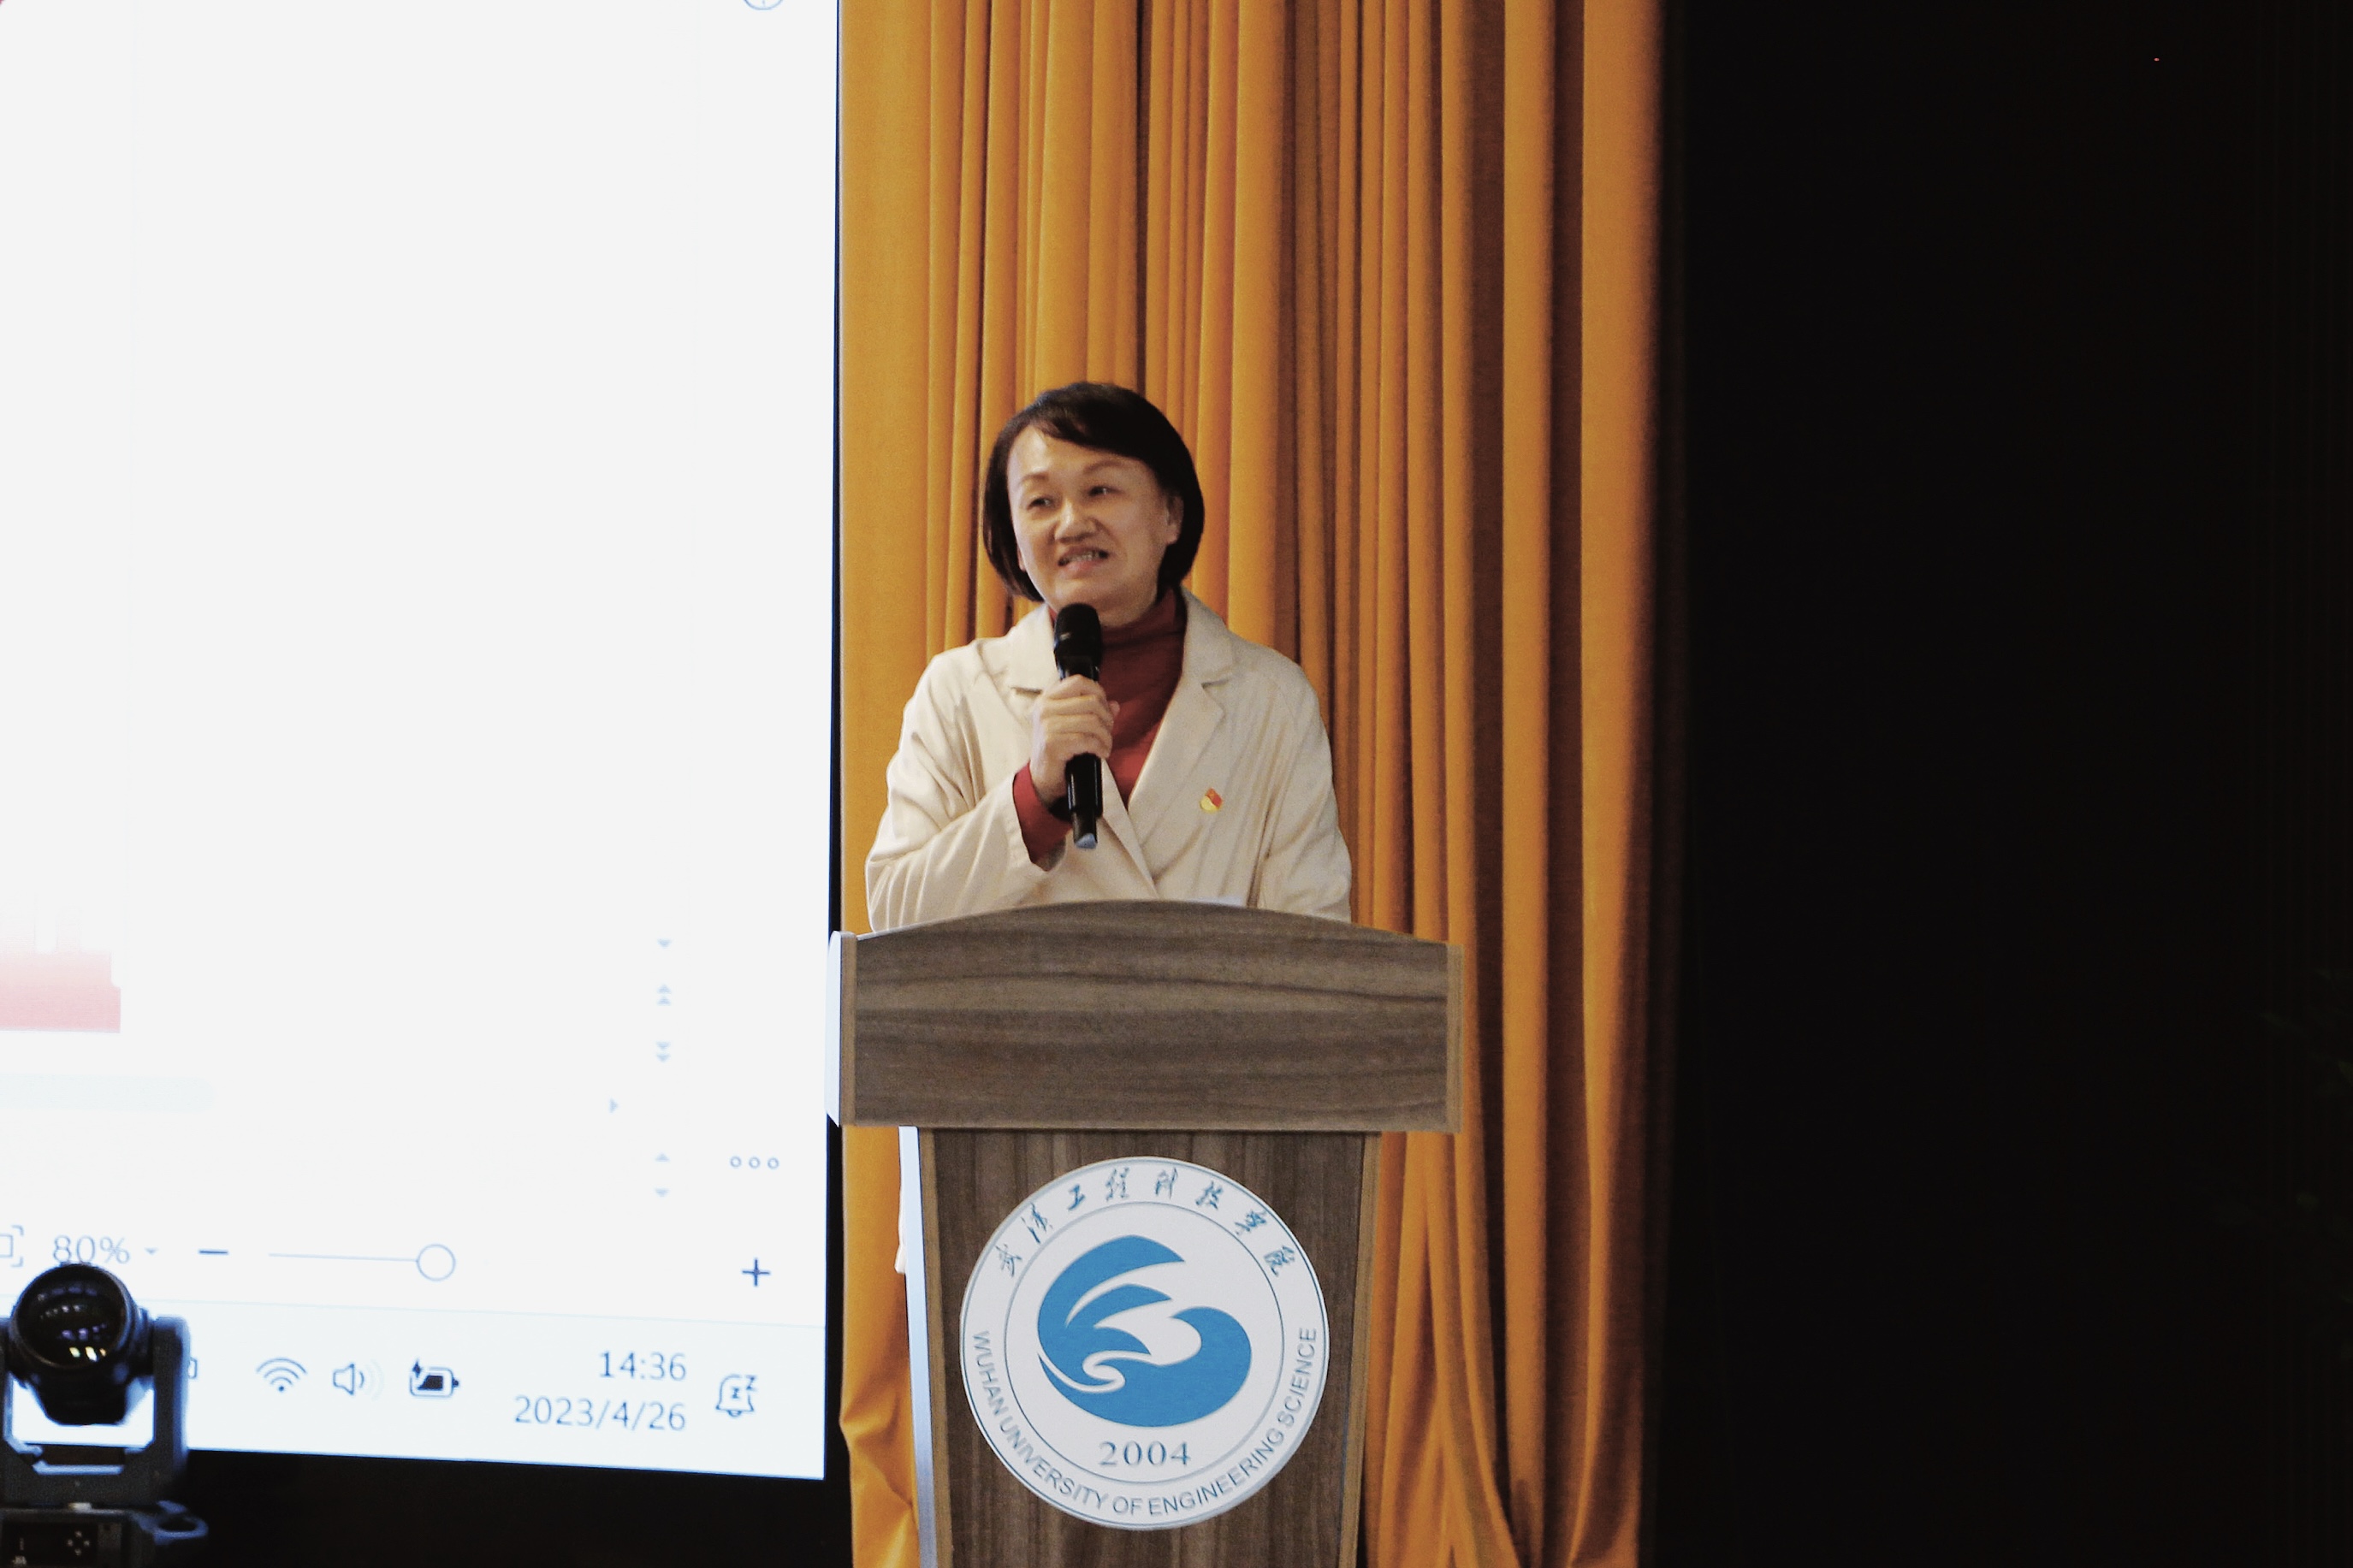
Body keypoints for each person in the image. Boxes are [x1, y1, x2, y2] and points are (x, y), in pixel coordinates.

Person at [865, 382, 1351, 930]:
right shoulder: (959, 691)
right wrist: (1033, 798)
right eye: (1041, 502)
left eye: (1100, 490)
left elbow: (1315, 936)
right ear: (1016, 542)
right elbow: (894, 916)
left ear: (1171, 514)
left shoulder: (1271, 700)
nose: (1072, 524)